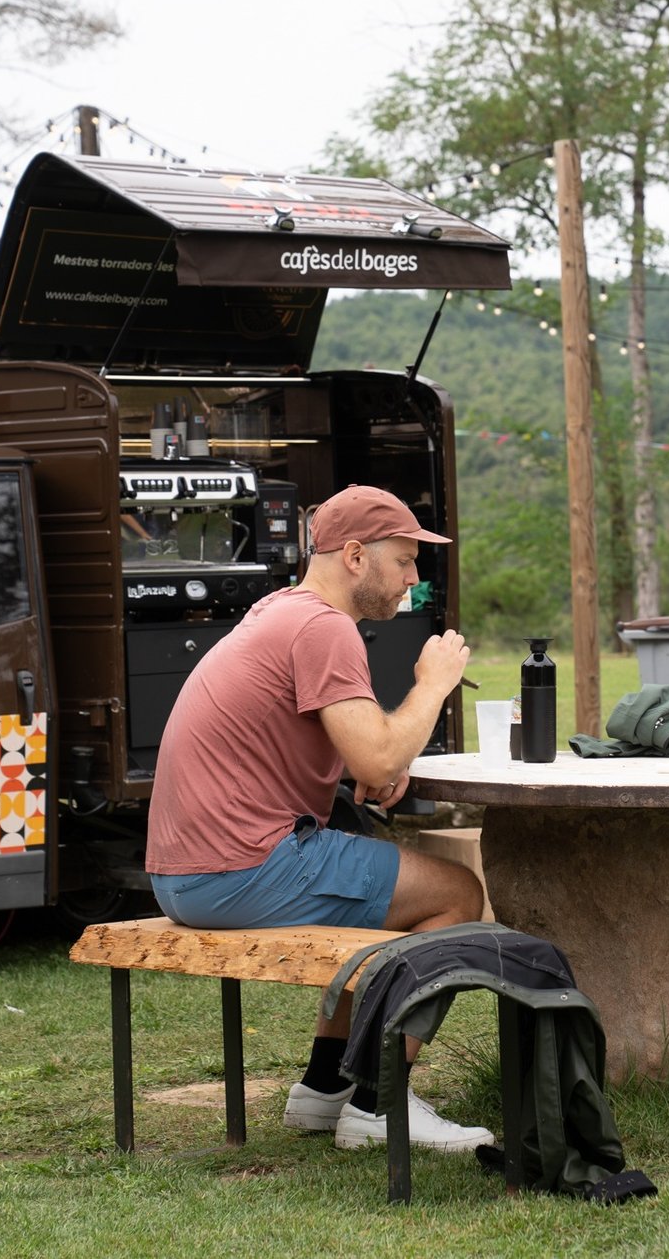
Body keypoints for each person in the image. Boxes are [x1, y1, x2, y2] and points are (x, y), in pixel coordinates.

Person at [147, 484, 492, 1153]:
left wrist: (375, 770)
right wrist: (434, 681)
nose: (415, 579)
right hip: (240, 867)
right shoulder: (324, 627)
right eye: (404, 561)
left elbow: (363, 760)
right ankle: (378, 1099)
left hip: (184, 872)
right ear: (356, 556)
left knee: (371, 885)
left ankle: (324, 1086)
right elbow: (381, 749)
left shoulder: (282, 611)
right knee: (457, 894)